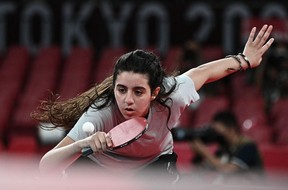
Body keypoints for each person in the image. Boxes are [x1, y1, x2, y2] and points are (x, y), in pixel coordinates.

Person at [32, 24, 274, 180]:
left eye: (138, 92)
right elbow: (46, 165)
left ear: (155, 92)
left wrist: (245, 59)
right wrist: (79, 146)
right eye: (121, 90)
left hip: (154, 163)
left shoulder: (172, 95)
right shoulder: (100, 114)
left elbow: (203, 72)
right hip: (100, 166)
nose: (127, 100)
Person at [189, 111, 264, 183]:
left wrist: (204, 151)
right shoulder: (224, 149)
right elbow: (202, 170)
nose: (217, 136)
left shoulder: (248, 147)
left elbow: (227, 169)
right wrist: (198, 154)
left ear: (231, 129)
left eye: (219, 133)